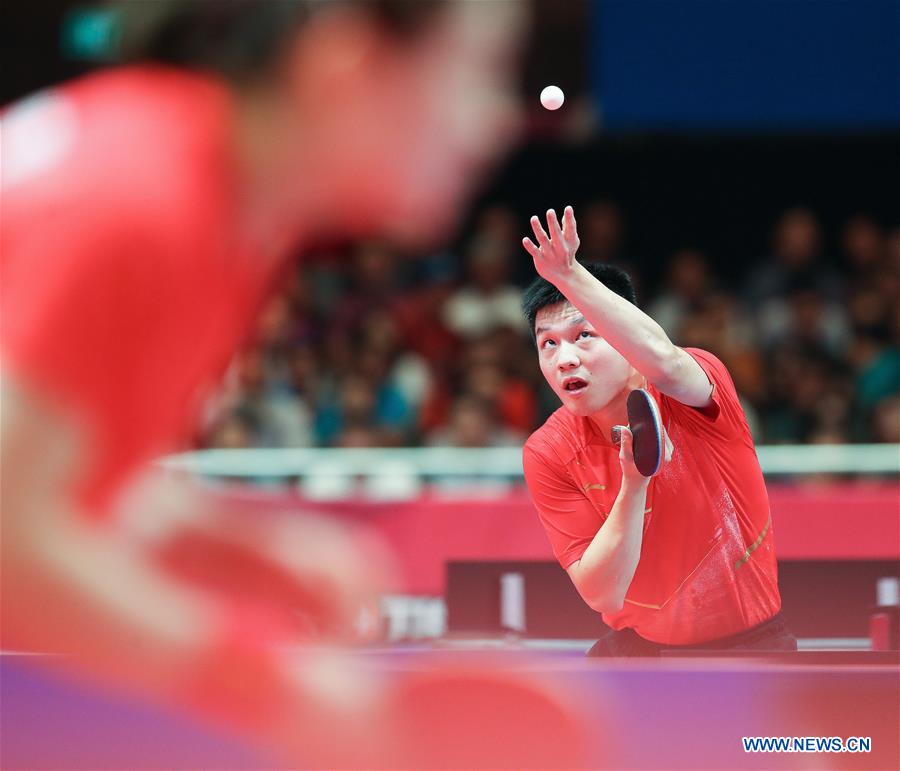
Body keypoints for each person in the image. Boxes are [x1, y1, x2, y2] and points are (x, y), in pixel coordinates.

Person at [1, 0, 526, 762]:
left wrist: (236, 549)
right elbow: (9, 536)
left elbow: (66, 476)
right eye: (478, 70)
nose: (498, 119)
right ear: (345, 62)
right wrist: (266, 686)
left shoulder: (205, 191)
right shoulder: (136, 203)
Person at [520, 206, 796, 656]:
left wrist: (569, 275)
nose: (564, 359)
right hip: (641, 652)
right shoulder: (549, 450)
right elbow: (602, 594)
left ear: (622, 331)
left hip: (750, 648)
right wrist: (634, 485)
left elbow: (665, 363)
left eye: (583, 335)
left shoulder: (695, 386)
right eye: (548, 343)